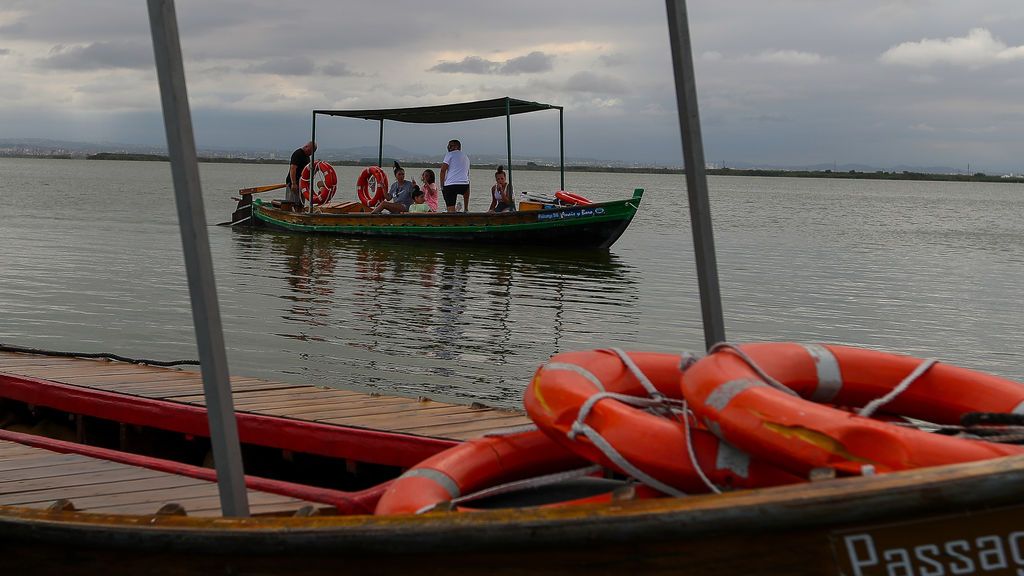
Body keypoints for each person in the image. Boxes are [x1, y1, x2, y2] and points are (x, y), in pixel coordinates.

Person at [439, 139, 470, 212]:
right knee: (467, 186)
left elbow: (443, 170)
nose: (448, 147)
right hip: (464, 185)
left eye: (450, 146)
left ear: (457, 146)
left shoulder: (449, 154)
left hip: (451, 185)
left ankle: (451, 211)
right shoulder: (466, 157)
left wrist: (442, 185)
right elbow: (467, 174)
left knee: (450, 210)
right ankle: (466, 208)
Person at [286, 140, 316, 211]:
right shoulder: (298, 154)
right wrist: (293, 183)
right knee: (292, 202)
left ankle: (300, 212)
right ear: (306, 147)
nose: (311, 154)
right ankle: (291, 214)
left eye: (312, 152)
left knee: (300, 203)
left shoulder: (307, 156)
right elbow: (293, 168)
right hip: (294, 183)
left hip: (302, 184)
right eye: (310, 151)